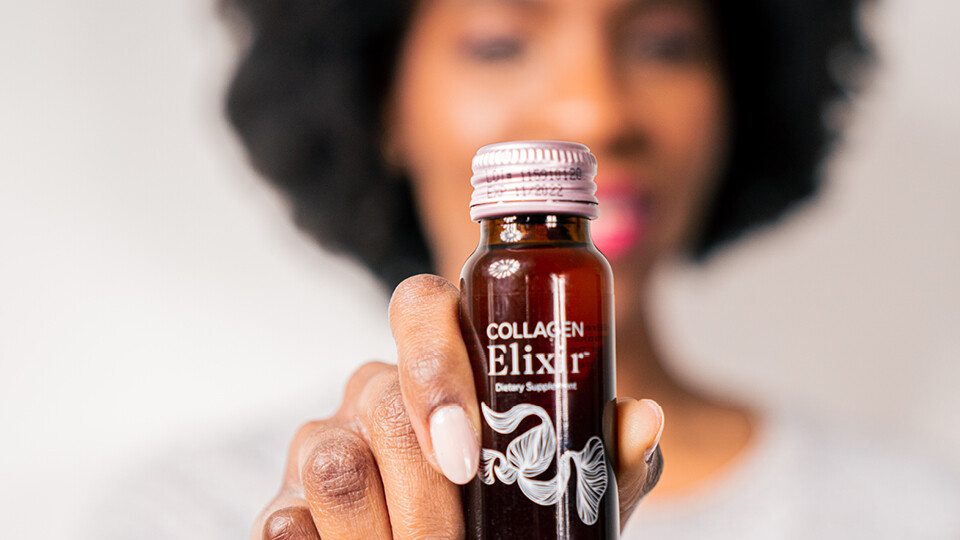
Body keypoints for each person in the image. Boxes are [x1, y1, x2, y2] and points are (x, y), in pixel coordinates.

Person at [97, 0, 958, 538]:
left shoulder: (919, 510)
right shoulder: (206, 511)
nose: (596, 109)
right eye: (501, 42)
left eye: (663, 43)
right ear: (377, 96)